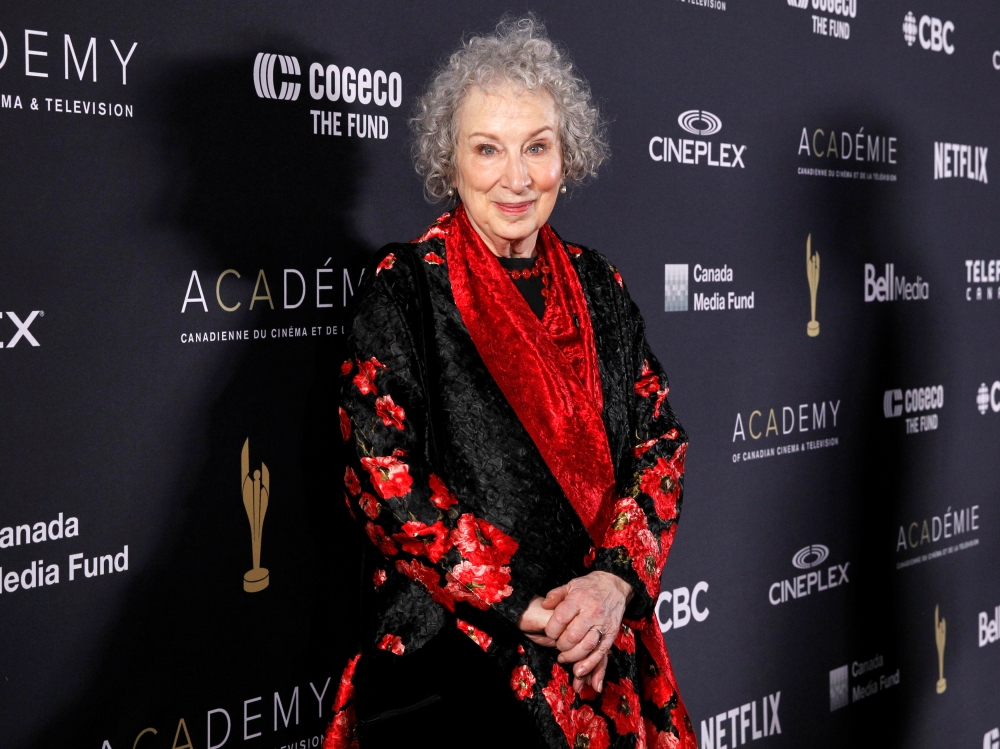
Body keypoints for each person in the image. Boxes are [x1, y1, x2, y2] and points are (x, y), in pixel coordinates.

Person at [325, 15, 695, 749]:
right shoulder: (405, 292)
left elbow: (661, 444)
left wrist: (613, 583)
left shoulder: (601, 287)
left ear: (569, 156)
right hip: (456, 668)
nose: (516, 178)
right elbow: (383, 480)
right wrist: (536, 610)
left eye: (537, 147)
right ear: (450, 162)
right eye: (487, 149)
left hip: (599, 645)